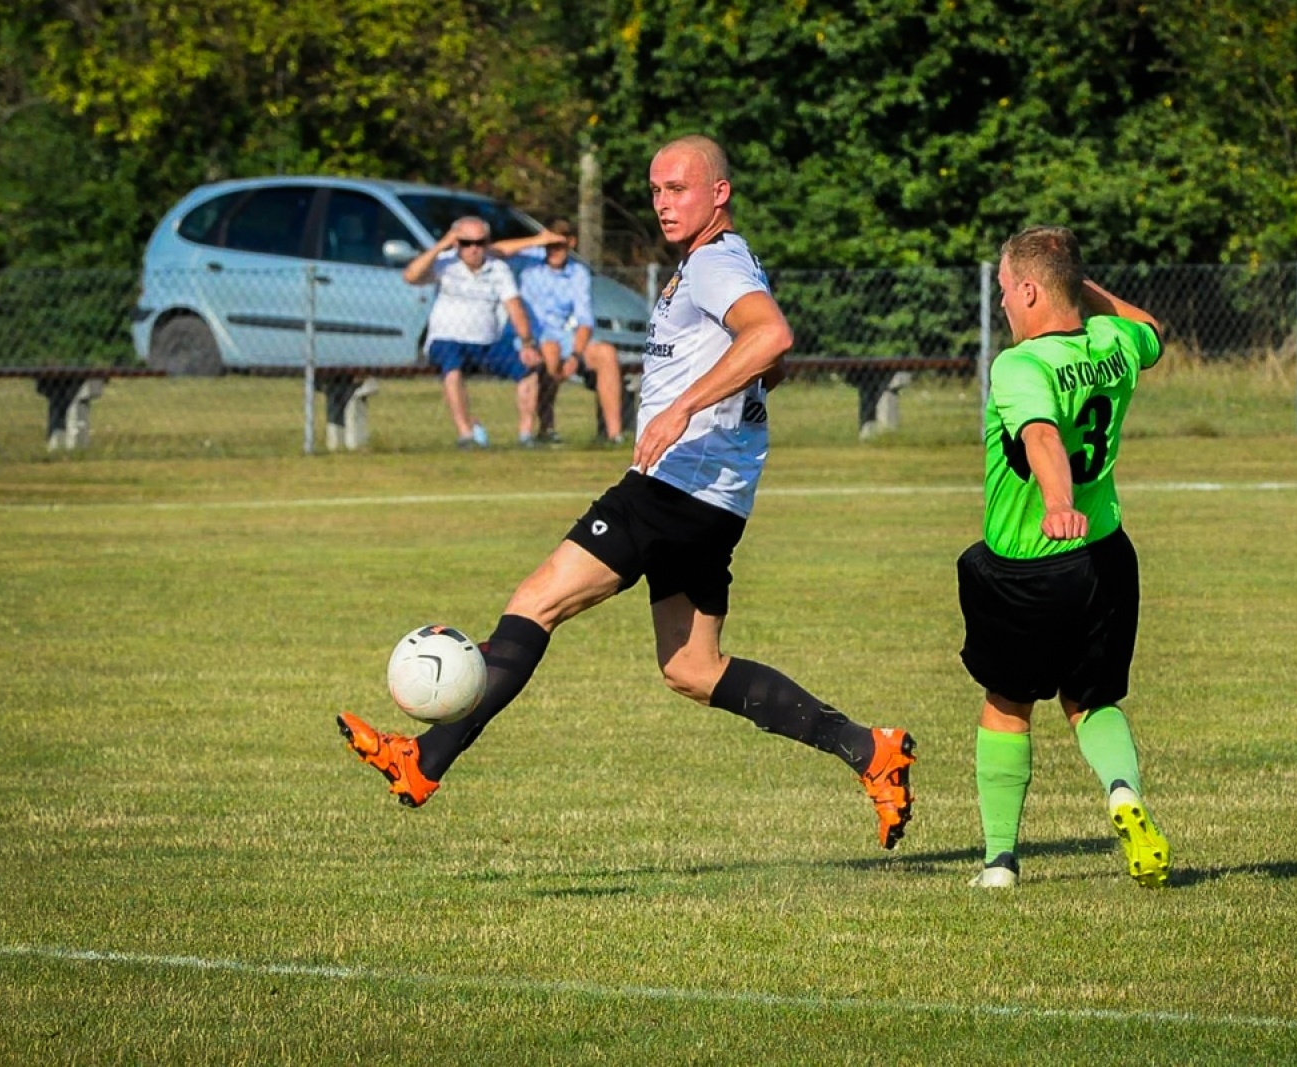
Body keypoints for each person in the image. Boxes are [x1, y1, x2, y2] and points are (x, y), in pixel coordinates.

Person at [338, 135, 916, 851]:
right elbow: (772, 362)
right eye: (655, 190)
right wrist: (725, 394)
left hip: (676, 484)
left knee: (534, 603)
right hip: (717, 496)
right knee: (692, 668)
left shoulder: (715, 262)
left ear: (719, 193)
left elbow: (771, 336)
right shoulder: (720, 263)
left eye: (679, 189)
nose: (663, 203)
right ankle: (871, 750)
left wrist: (679, 410)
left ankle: (425, 759)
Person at [960, 224, 1171, 889]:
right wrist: (1080, 285)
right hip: (1106, 556)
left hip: (1033, 564)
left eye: (1004, 289)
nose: (1001, 303)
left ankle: (999, 861)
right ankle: (1121, 791)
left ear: (1028, 290)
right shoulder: (1113, 343)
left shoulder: (1020, 366)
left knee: (1006, 705)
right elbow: (1152, 330)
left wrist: (1056, 500)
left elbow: (1043, 434)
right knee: (1090, 700)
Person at [402, 216, 562, 448]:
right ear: (456, 243)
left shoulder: (498, 269)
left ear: (487, 243)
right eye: (466, 243)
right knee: (452, 368)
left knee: (529, 369)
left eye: (479, 242)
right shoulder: (444, 263)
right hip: (449, 339)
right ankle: (466, 434)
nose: (474, 249)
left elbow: (514, 306)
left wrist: (527, 343)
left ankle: (526, 435)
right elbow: (411, 276)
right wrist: (441, 245)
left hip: (488, 342)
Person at [493, 219, 627, 446]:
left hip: (564, 333)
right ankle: (547, 427)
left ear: (571, 243)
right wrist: (537, 240)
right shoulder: (528, 262)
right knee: (550, 351)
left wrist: (576, 354)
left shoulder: (578, 273)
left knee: (606, 353)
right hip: (531, 334)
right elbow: (494, 251)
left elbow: (584, 319)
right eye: (550, 245)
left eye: (560, 244)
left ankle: (614, 434)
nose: (554, 250)